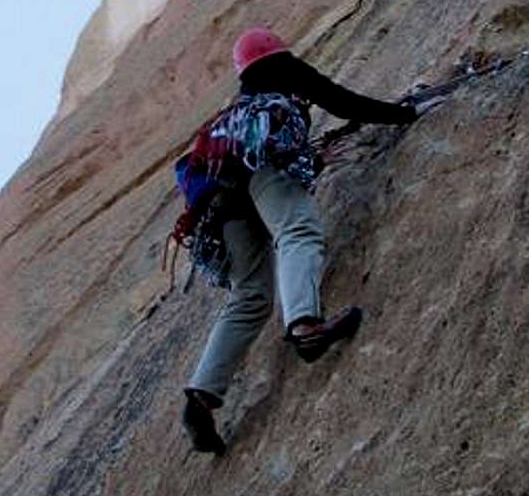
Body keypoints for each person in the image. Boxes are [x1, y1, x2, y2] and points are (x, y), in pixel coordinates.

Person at [183, 27, 432, 455]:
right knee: (297, 230)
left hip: (221, 198)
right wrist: (404, 114)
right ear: (279, 56)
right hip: (260, 171)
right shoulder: (288, 76)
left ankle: (201, 397)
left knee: (249, 295)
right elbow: (342, 101)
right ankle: (305, 327)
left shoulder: (235, 108)